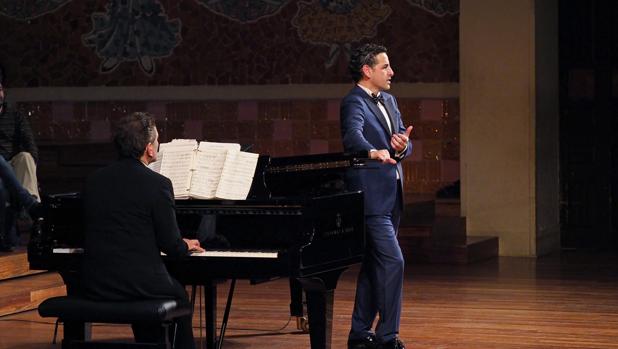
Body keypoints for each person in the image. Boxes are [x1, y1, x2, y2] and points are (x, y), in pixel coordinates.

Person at [81, 112, 204, 348]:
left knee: (150, 284)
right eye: (157, 140)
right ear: (149, 149)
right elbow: (172, 247)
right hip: (140, 284)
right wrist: (185, 244)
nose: (157, 144)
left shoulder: (94, 180)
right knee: (179, 296)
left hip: (95, 282)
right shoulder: (158, 185)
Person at [340, 43, 413, 349]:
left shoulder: (391, 100)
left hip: (391, 193)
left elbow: (402, 143)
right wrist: (373, 150)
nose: (391, 72)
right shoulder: (353, 101)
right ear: (367, 71)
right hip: (370, 198)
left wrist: (400, 147)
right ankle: (387, 336)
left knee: (374, 266)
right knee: (393, 262)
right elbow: (352, 137)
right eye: (385, 67)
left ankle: (359, 334)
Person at [0, 64, 42, 251]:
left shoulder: (15, 115)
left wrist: (32, 165)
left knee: (25, 157)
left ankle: (32, 207)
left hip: (12, 164)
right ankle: (28, 203)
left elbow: (30, 145)